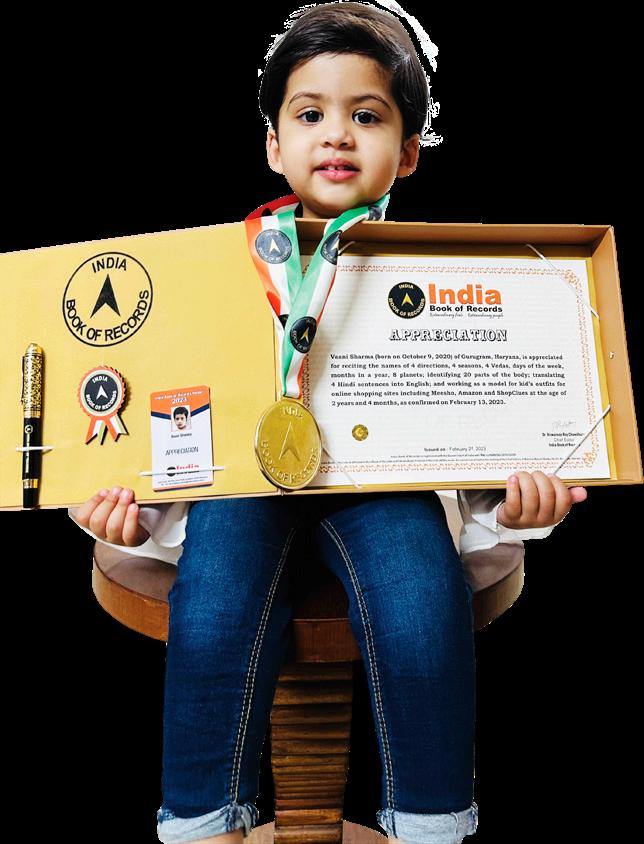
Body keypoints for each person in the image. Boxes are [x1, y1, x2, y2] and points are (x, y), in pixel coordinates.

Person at [68, 4, 587, 843]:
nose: (337, 134)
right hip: (241, 491)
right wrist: (131, 510)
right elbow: (156, 416)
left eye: (367, 116)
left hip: (389, 491)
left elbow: (479, 423)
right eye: (310, 114)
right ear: (275, 144)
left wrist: (514, 503)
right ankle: (204, 824)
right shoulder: (209, 276)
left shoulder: (456, 284)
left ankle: (429, 824)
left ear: (408, 151)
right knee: (215, 599)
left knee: (421, 596)